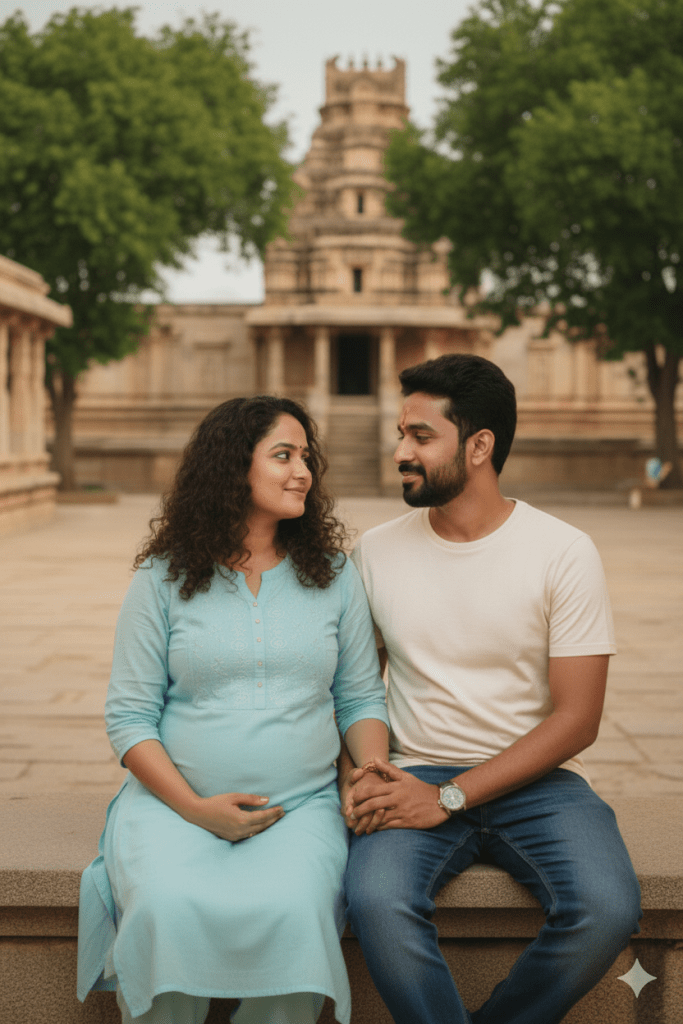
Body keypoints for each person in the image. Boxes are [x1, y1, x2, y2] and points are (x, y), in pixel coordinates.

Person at [341, 354, 641, 1024]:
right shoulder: (376, 552)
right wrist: (360, 774)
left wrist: (448, 797)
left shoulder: (562, 551)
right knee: (376, 902)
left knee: (607, 907)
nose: (399, 452)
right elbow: (355, 690)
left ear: (478, 446)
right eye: (400, 434)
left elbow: (577, 718)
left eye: (420, 437)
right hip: (411, 767)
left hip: (537, 778)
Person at [77, 395, 390, 1024]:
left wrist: (373, 770)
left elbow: (359, 696)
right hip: (172, 809)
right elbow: (130, 719)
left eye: (307, 456)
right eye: (283, 455)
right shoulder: (163, 578)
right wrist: (196, 809)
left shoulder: (334, 575)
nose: (303, 470)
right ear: (231, 468)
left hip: (299, 809)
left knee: (297, 910)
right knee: (166, 904)